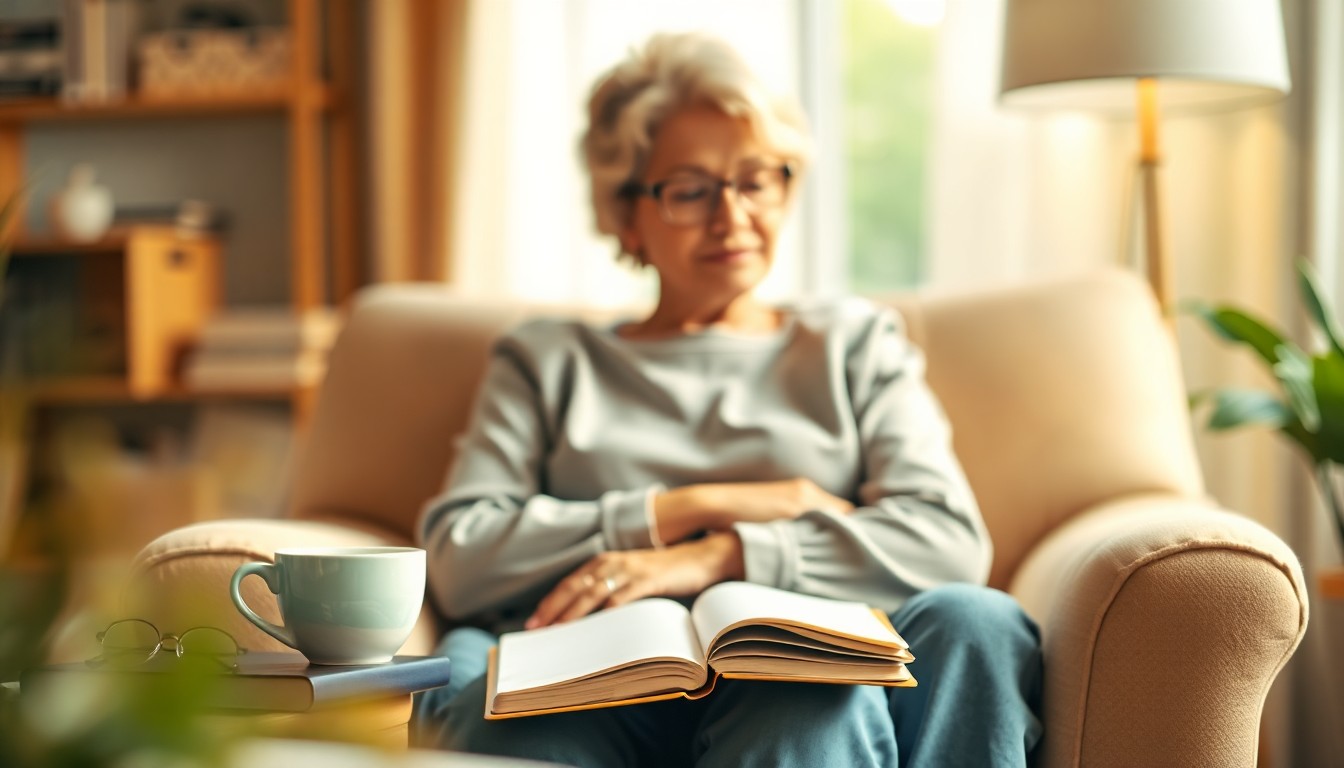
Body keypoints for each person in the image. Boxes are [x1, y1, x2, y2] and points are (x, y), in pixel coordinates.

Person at [413, 31, 1042, 768]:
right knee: (522, 723)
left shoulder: (854, 343)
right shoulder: (549, 358)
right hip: (599, 680)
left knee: (960, 625)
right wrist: (695, 507)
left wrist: (722, 555)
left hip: (803, 663)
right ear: (626, 213)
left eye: (756, 180)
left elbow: (946, 535)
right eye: (690, 189)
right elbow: (459, 553)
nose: (732, 215)